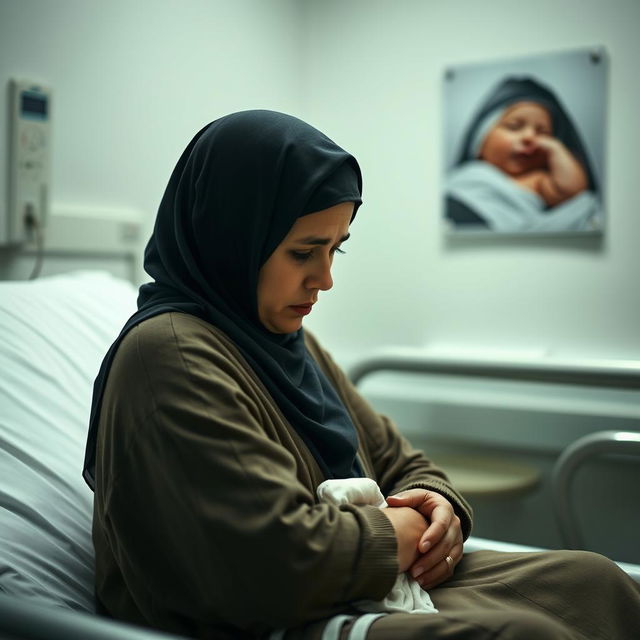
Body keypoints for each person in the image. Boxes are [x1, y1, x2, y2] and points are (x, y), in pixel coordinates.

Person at [84, 109, 640, 639]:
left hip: (364, 578)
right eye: (304, 253)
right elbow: (271, 561)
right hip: (268, 615)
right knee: (526, 634)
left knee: (595, 583)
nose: (324, 280)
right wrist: (401, 533)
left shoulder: (285, 343)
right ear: (232, 236)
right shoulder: (171, 355)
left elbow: (403, 462)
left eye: (335, 250)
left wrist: (438, 506)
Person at [445, 76, 603, 233]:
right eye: (514, 127)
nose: (529, 137)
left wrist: (554, 148)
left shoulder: (537, 181)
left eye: (543, 133)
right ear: (479, 142)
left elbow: (572, 190)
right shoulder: (467, 175)